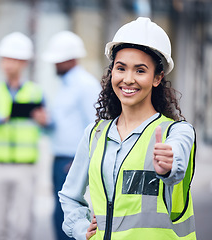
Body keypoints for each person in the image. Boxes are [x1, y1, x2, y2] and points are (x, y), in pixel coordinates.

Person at [59, 17, 196, 240]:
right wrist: (80, 227)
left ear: (157, 78)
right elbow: (70, 196)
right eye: (121, 68)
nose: (128, 79)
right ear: (112, 72)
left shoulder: (177, 132)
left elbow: (176, 164)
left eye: (140, 71)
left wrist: (169, 166)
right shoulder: (95, 134)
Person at [0, 32, 48, 240]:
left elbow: (48, 124)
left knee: (24, 226)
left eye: (12, 59)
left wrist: (44, 119)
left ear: (24, 62)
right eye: (4, 59)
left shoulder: (37, 92)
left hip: (25, 167)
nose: (7, 64)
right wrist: (2, 117)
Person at [42, 31, 101, 240]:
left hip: (71, 161)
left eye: (58, 61)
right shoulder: (65, 86)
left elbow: (96, 127)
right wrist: (45, 122)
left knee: (69, 219)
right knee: (59, 218)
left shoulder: (85, 85)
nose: (54, 65)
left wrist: (80, 162)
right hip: (60, 159)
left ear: (71, 59)